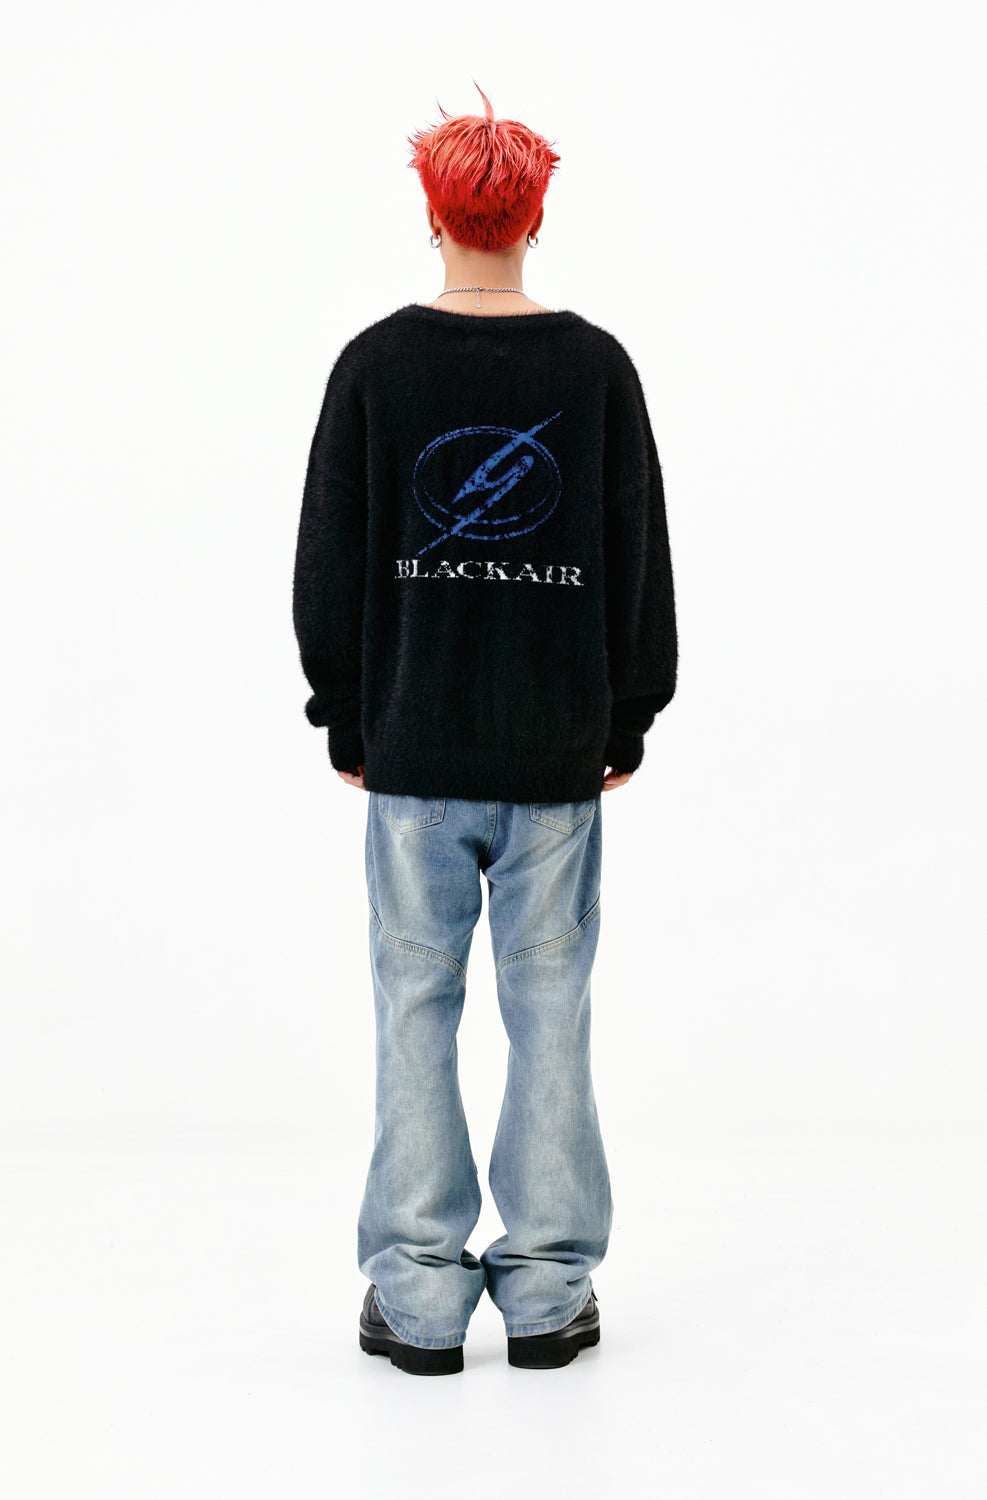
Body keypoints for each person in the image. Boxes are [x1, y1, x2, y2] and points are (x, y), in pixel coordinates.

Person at [292, 82, 678, 1376]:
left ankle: (416, 1296)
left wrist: (346, 714)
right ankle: (551, 1291)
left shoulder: (375, 365)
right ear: (538, 214)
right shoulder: (596, 366)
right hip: (556, 757)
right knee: (552, 1010)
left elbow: (330, 560)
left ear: (431, 212)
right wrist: (628, 712)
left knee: (414, 1006)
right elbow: (636, 557)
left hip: (413, 756)